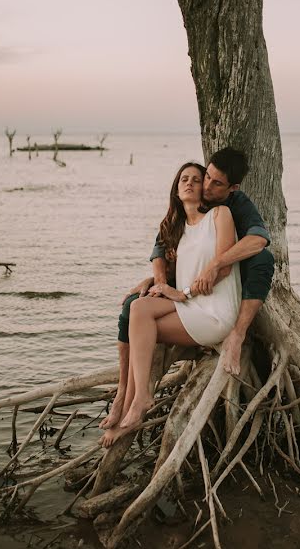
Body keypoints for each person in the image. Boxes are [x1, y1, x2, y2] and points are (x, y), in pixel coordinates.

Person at [101, 162, 241, 447]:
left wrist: (182, 291)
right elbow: (165, 262)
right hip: (190, 304)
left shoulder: (220, 215)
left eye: (196, 179)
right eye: (183, 179)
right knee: (137, 309)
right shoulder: (178, 229)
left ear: (204, 187)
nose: (189, 183)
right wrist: (156, 283)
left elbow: (223, 269)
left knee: (139, 325)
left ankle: (134, 401)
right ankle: (134, 399)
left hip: (215, 311)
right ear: (176, 191)